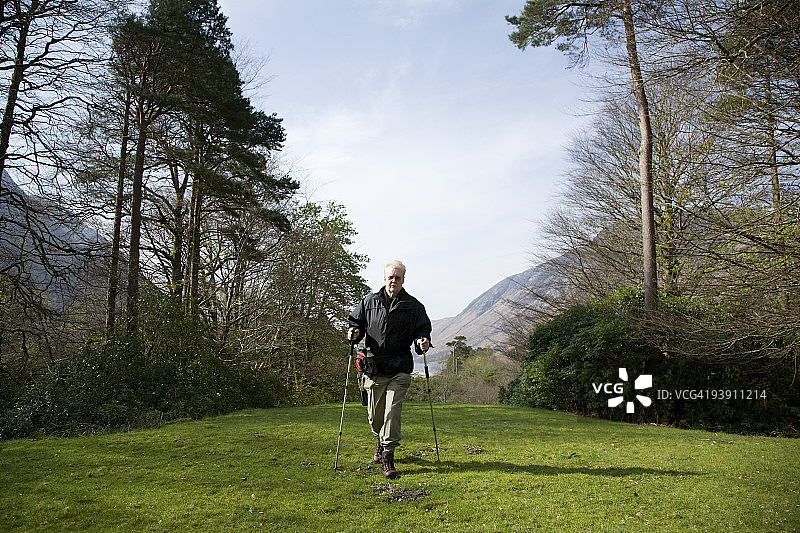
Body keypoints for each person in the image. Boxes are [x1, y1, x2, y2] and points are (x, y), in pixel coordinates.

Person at [347, 260, 431, 479]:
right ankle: (379, 440)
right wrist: (354, 332)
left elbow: (422, 330)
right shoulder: (368, 302)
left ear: (404, 279)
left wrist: (423, 341)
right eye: (390, 277)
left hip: (400, 368)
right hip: (373, 368)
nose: (394, 280)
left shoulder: (414, 306)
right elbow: (355, 322)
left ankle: (388, 454)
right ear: (384, 278)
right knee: (375, 417)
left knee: (392, 410)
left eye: (398, 277)